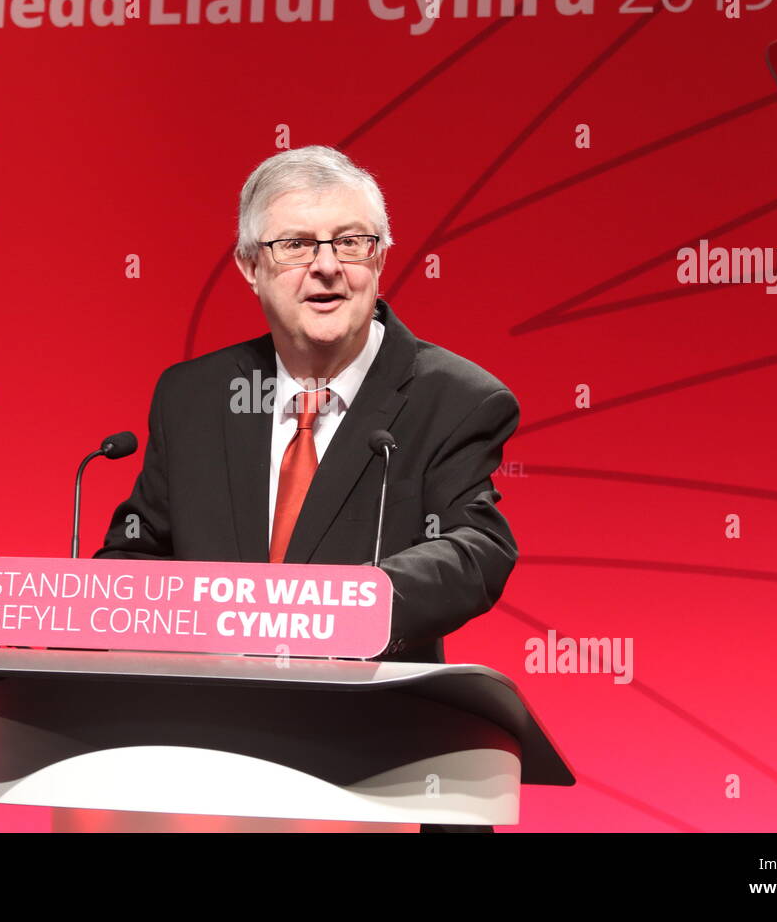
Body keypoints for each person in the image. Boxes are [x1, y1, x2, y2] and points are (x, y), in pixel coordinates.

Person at [95, 145, 519, 833]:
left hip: (383, 770)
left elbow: (478, 548)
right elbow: (136, 553)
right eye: (295, 244)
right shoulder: (194, 398)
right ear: (250, 267)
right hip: (207, 775)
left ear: (379, 258)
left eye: (350, 242)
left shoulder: (455, 398)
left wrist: (341, 606)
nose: (326, 266)